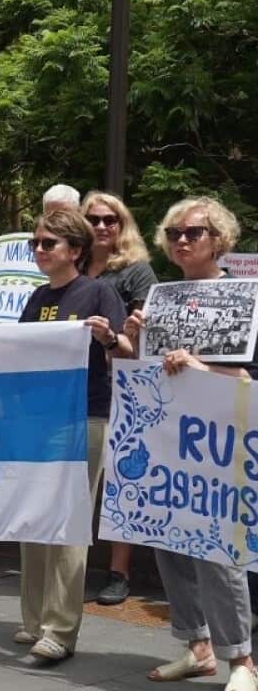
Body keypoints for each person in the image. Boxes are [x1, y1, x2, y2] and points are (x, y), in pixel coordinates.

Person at [123, 197, 257, 691]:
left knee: (217, 550)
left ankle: (241, 660)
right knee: (168, 542)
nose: (181, 240)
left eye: (193, 232)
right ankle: (197, 647)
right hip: (167, 439)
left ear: (218, 239)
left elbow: (250, 377)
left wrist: (205, 368)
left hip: (219, 445)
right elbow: (147, 376)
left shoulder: (245, 299)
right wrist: (133, 341)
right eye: (174, 232)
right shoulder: (163, 298)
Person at [14, 206, 132, 662]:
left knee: (68, 521)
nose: (39, 250)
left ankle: (60, 630)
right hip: (40, 419)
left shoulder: (99, 292)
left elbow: (126, 351)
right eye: (35, 243)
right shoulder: (35, 297)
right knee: (33, 518)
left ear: (76, 250)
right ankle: (34, 619)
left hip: (85, 415)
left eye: (48, 243)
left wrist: (107, 338)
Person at [80, 190, 159, 606]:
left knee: (119, 478)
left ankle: (119, 571)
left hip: (123, 387)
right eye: (93, 219)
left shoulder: (136, 272)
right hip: (77, 385)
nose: (102, 226)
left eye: (110, 220)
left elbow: (147, 334)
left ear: (122, 225)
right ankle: (72, 564)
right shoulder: (72, 266)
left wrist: (126, 334)